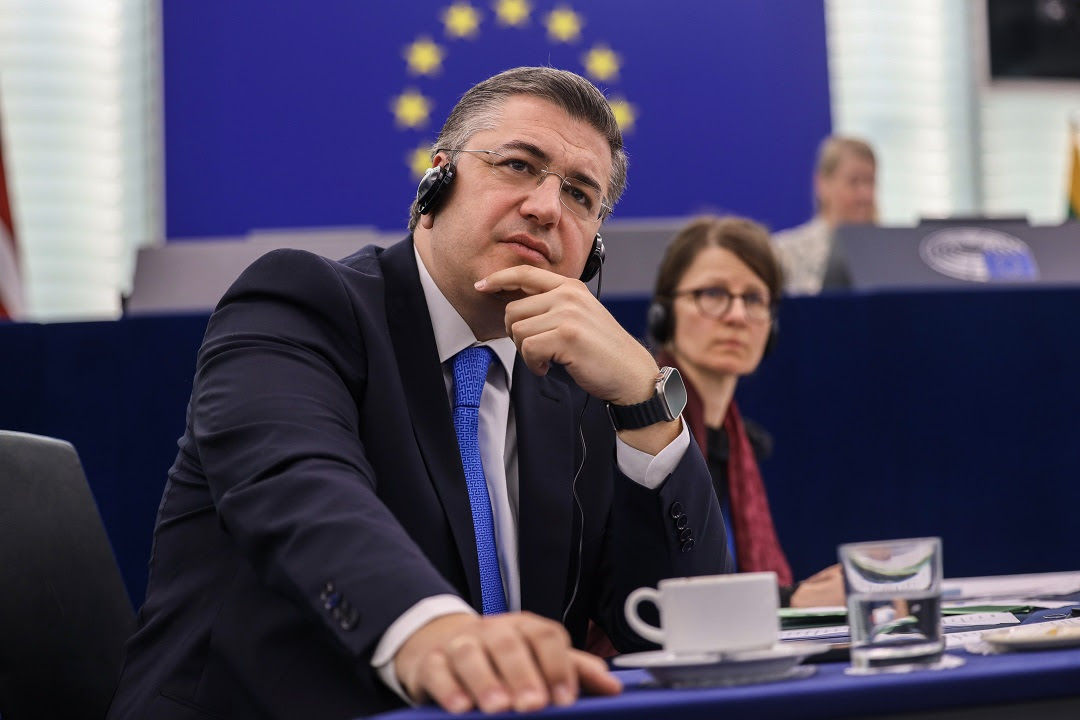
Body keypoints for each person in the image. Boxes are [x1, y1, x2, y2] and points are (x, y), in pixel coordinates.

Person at [106, 67, 732, 719]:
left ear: (593, 251)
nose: (547, 208)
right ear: (438, 179)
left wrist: (646, 403)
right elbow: (299, 486)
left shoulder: (574, 383)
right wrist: (435, 633)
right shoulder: (301, 304)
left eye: (579, 195)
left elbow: (687, 630)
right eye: (518, 165)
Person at [648, 215, 843, 608]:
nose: (737, 316)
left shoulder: (737, 442)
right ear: (665, 314)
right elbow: (658, 589)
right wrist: (792, 601)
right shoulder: (639, 428)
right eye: (713, 293)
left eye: (754, 299)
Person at [771, 135, 877, 295]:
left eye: (870, 182)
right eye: (854, 182)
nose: (865, 195)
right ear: (822, 184)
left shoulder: (885, 255)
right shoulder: (784, 253)